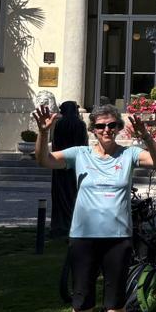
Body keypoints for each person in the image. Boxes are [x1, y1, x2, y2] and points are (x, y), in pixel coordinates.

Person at [34, 102, 156, 312]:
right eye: (101, 126)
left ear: (118, 128)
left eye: (112, 125)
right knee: (82, 302)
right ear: (93, 129)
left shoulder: (128, 154)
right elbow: (44, 160)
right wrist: (44, 133)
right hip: (84, 239)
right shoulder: (80, 154)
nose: (107, 130)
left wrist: (145, 136)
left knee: (115, 302)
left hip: (117, 239)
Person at [48, 100, 89, 237]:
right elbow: (84, 145)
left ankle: (60, 225)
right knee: (75, 194)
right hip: (76, 164)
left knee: (60, 195)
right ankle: (74, 224)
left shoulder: (59, 124)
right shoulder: (80, 124)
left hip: (60, 163)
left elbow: (55, 145)